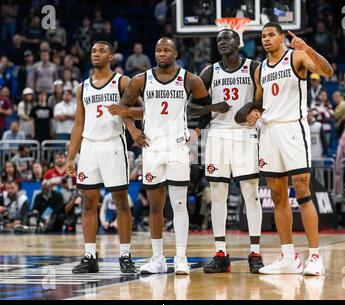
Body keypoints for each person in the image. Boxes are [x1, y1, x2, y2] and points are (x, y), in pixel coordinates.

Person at [108, 37, 228, 275]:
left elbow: (206, 108)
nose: (161, 53)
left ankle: (181, 257)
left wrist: (195, 132)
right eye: (158, 49)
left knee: (179, 204)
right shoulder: (140, 79)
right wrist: (133, 130)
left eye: (167, 50)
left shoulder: (190, 79)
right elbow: (123, 108)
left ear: (176, 53)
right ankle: (157, 258)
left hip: (177, 148)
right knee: (155, 205)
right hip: (151, 148)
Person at [235, 22, 334, 276]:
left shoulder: (297, 56)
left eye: (270, 35)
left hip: (293, 129)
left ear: (281, 37)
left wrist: (308, 49)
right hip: (269, 132)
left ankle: (315, 257)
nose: (266, 39)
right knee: (278, 196)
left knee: (303, 193)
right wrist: (253, 113)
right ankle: (288, 256)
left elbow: (328, 72)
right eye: (263, 36)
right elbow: (259, 101)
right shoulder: (260, 70)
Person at [190, 29, 264, 274]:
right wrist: (213, 106)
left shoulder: (254, 67)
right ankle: (221, 253)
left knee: (251, 194)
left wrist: (251, 105)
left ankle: (255, 252)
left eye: (227, 38)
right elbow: (193, 109)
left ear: (238, 42)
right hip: (217, 136)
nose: (222, 43)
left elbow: (267, 98)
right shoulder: (209, 71)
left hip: (245, 134)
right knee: (218, 196)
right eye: (218, 39)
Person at [66, 41, 142, 274]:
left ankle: (125, 255)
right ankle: (90, 256)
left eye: (101, 51)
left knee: (120, 201)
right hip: (89, 147)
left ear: (111, 56)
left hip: (113, 144)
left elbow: (143, 110)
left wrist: (126, 113)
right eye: (93, 51)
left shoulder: (123, 82)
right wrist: (71, 156)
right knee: (88, 202)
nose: (96, 54)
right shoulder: (83, 87)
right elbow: (79, 123)